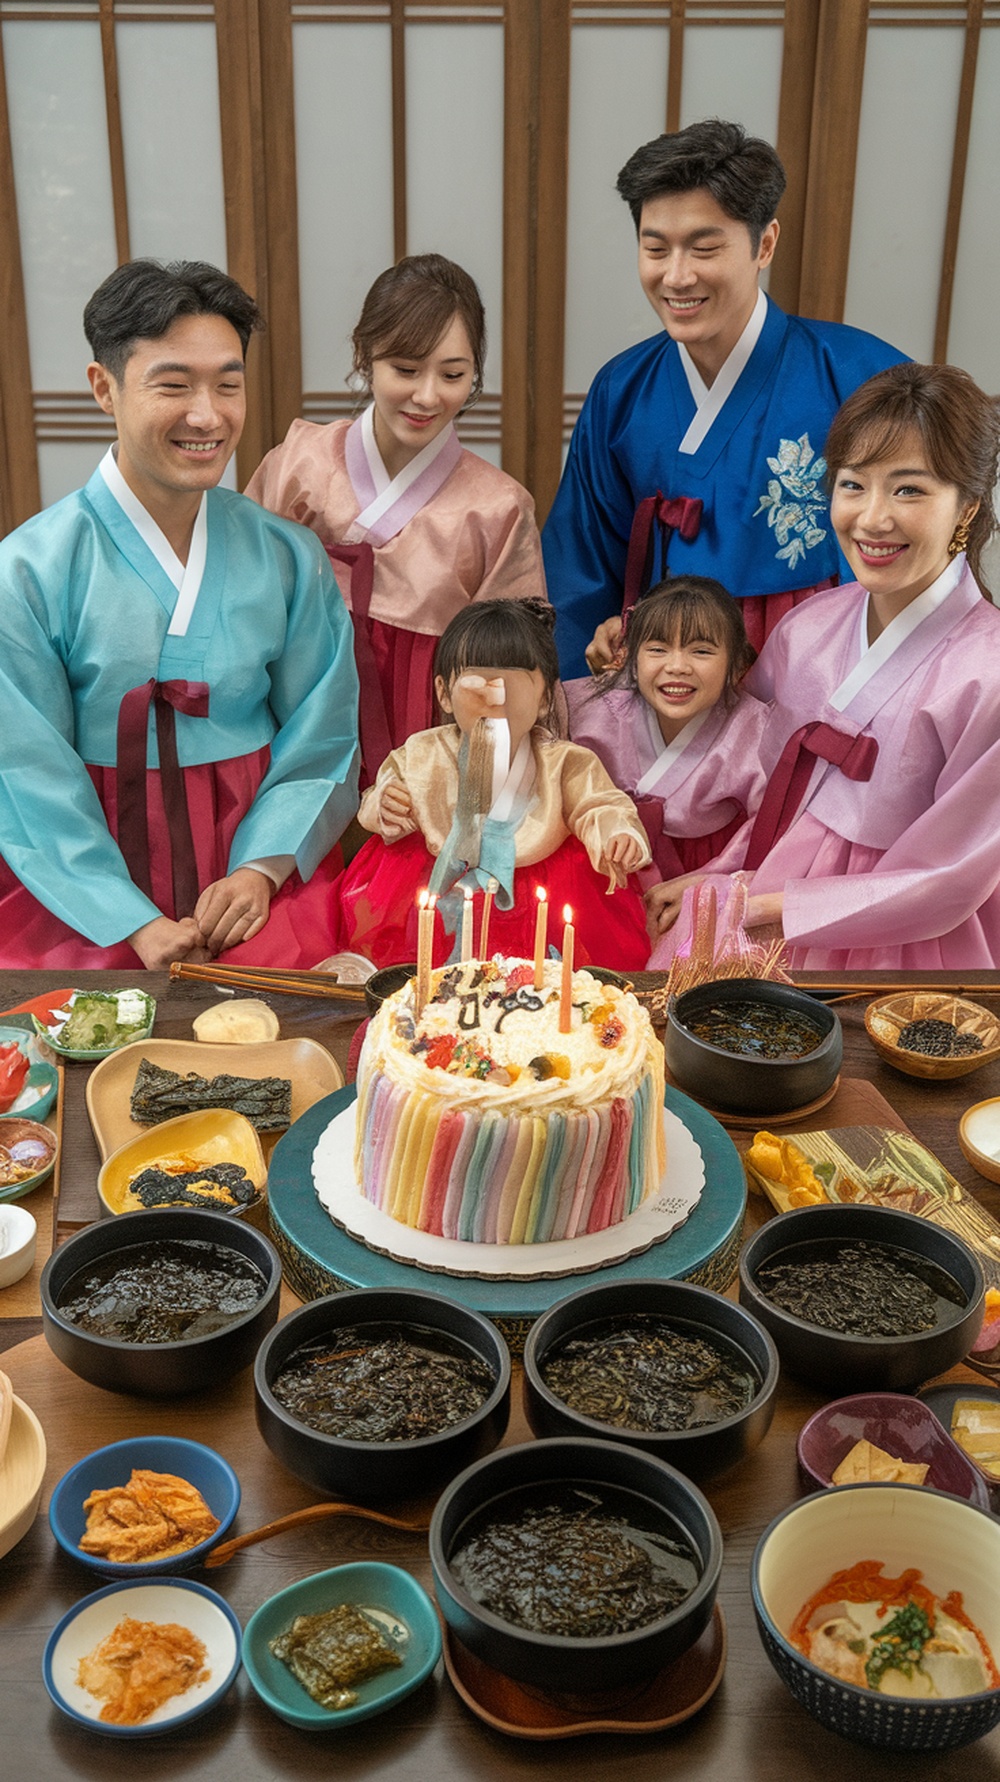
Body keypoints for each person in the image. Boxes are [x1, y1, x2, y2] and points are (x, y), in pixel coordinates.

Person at [0, 259, 359, 971]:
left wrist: (262, 869)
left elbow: (324, 733)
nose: (208, 414)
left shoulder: (287, 556)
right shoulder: (28, 570)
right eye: (173, 384)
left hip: (255, 874)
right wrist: (130, 921)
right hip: (81, 893)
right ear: (104, 388)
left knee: (298, 1044)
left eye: (228, 385)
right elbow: (27, 771)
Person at [648, 362, 1000, 969]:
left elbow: (950, 877)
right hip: (768, 888)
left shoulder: (987, 674)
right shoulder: (807, 629)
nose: (872, 519)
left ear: (966, 506)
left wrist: (759, 907)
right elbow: (776, 800)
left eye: (909, 489)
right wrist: (723, 874)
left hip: (906, 938)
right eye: (854, 484)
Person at [542, 119, 908, 676]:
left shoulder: (861, 376)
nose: (677, 276)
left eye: (704, 247)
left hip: (824, 673)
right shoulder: (621, 393)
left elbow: (919, 544)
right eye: (655, 248)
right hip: (670, 685)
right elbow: (580, 574)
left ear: (765, 244)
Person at [247, 254, 544, 788]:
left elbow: (508, 673)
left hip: (425, 748)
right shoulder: (300, 462)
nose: (427, 396)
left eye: (453, 374)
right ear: (365, 356)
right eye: (405, 370)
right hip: (290, 719)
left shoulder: (498, 508)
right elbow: (240, 601)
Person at [330, 599, 652, 969]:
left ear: (545, 697)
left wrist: (616, 834)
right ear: (444, 692)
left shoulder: (564, 762)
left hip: (542, 889)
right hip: (427, 881)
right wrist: (385, 804)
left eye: (512, 686)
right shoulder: (422, 753)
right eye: (477, 685)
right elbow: (377, 794)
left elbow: (599, 804)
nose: (495, 700)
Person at [566, 576, 767, 882]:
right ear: (631, 657)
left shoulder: (754, 730)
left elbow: (770, 826)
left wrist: (711, 878)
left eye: (701, 651)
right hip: (598, 870)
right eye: (658, 649)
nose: (677, 666)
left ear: (737, 664)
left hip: (703, 876)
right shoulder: (587, 709)